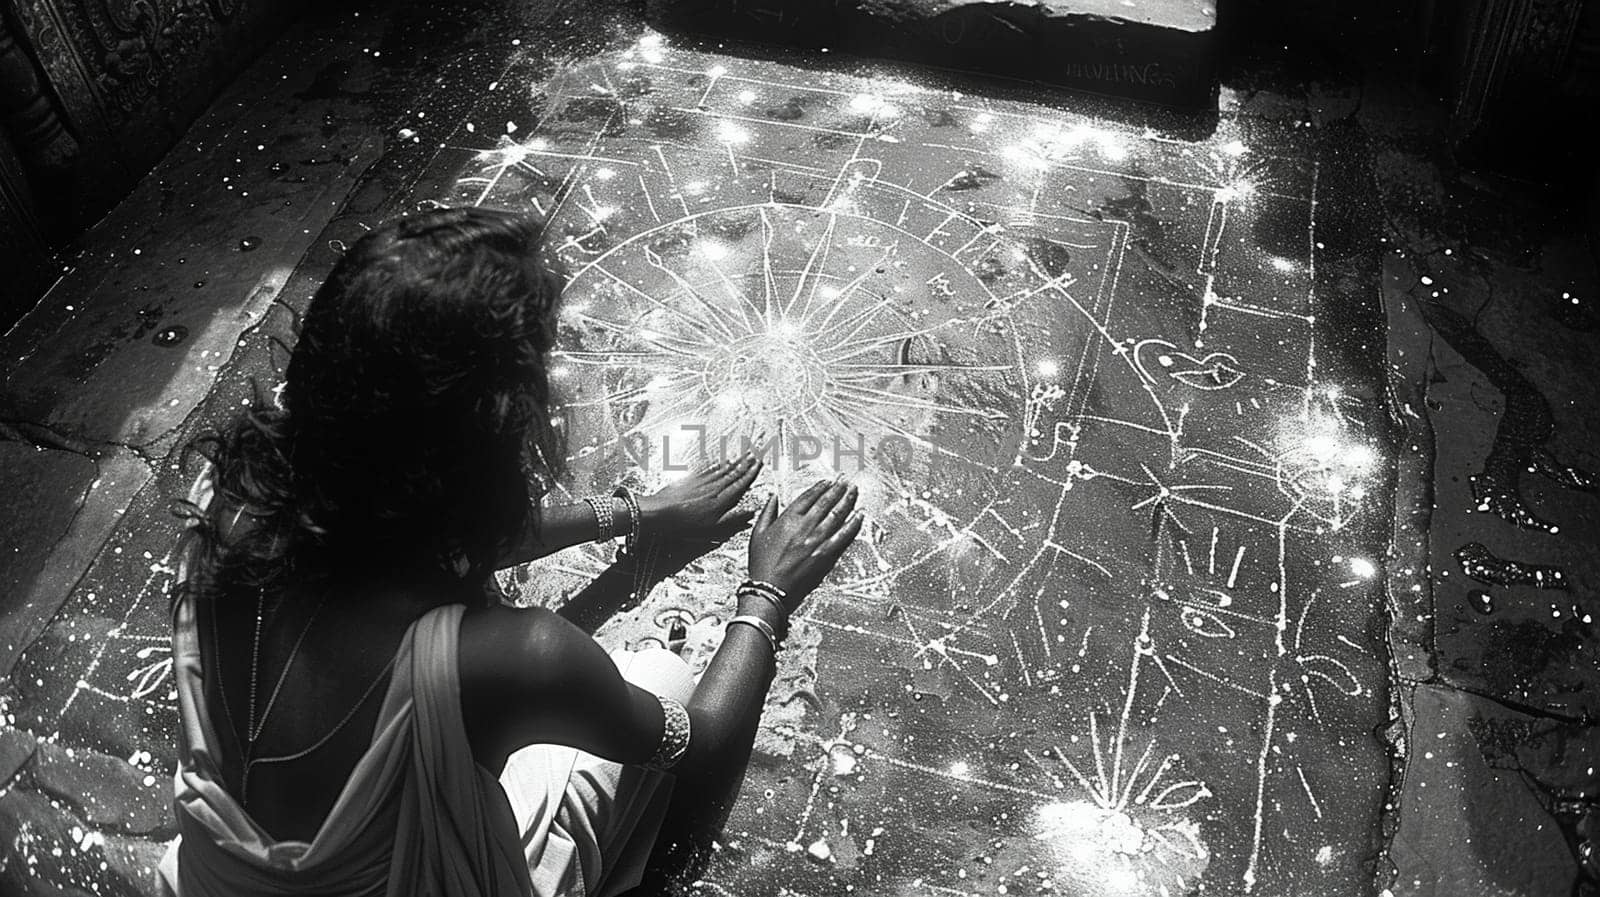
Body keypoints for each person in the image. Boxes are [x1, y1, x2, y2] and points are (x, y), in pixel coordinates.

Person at [160, 207, 862, 897]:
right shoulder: (520, 658)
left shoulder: (234, 513)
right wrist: (769, 591)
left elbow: (418, 520)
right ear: (484, 442)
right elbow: (704, 745)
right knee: (663, 677)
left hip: (221, 878)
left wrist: (632, 513)